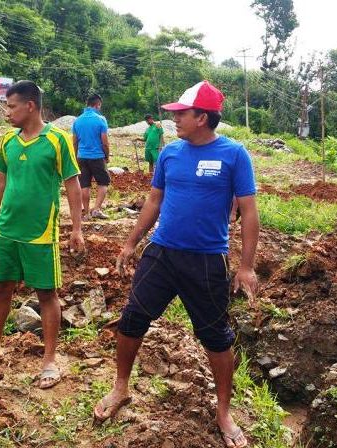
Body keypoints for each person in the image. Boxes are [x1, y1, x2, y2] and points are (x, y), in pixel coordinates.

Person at [93, 81, 259, 448]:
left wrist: (246, 267)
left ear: (203, 117)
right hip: (162, 253)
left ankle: (223, 411)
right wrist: (131, 242)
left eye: (181, 114)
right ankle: (120, 387)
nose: (175, 120)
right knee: (133, 318)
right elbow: (153, 201)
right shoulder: (170, 154)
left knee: (216, 338)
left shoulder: (234, 155)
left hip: (205, 261)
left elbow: (248, 212)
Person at [0, 80, 85, 389]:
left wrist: (76, 228)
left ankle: (49, 360)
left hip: (41, 233)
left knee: (47, 294)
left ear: (30, 106)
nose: (7, 113)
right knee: (0, 288)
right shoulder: (8, 140)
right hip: (6, 231)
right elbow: (0, 184)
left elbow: (72, 186)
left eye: (11, 107)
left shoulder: (57, 140)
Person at [72, 93, 111, 220]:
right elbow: (104, 142)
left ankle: (87, 213)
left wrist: (76, 156)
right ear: (97, 105)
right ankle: (97, 209)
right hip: (97, 156)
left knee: (84, 184)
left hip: (81, 156)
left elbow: (75, 141)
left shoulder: (77, 121)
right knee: (103, 182)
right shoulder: (100, 120)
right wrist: (107, 155)